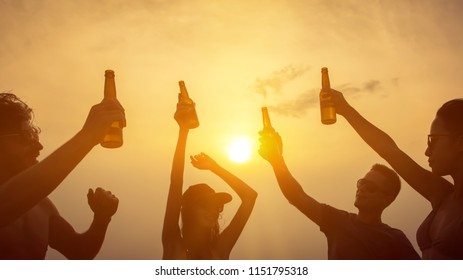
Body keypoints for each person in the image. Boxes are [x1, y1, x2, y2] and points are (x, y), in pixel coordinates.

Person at [331, 91, 463, 259]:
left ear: (460, 142)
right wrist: (345, 109)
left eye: (433, 140)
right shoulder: (443, 194)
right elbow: (389, 150)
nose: (427, 151)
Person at [258, 128, 420, 259]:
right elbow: (297, 197)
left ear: (387, 199)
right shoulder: (337, 221)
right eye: (361, 183)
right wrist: (277, 160)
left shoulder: (395, 240)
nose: (361, 188)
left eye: (370, 187)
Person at [0, 92, 124, 259]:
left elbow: (79, 252)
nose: (39, 145)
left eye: (35, 135)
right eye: (26, 135)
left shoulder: (42, 206)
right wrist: (88, 136)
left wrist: (101, 218)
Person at [162, 99, 257, 260]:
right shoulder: (173, 245)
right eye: (205, 206)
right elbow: (176, 182)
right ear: (189, 210)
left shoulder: (220, 250)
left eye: (217, 206)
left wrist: (215, 167)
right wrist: (183, 130)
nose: (213, 211)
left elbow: (250, 197)